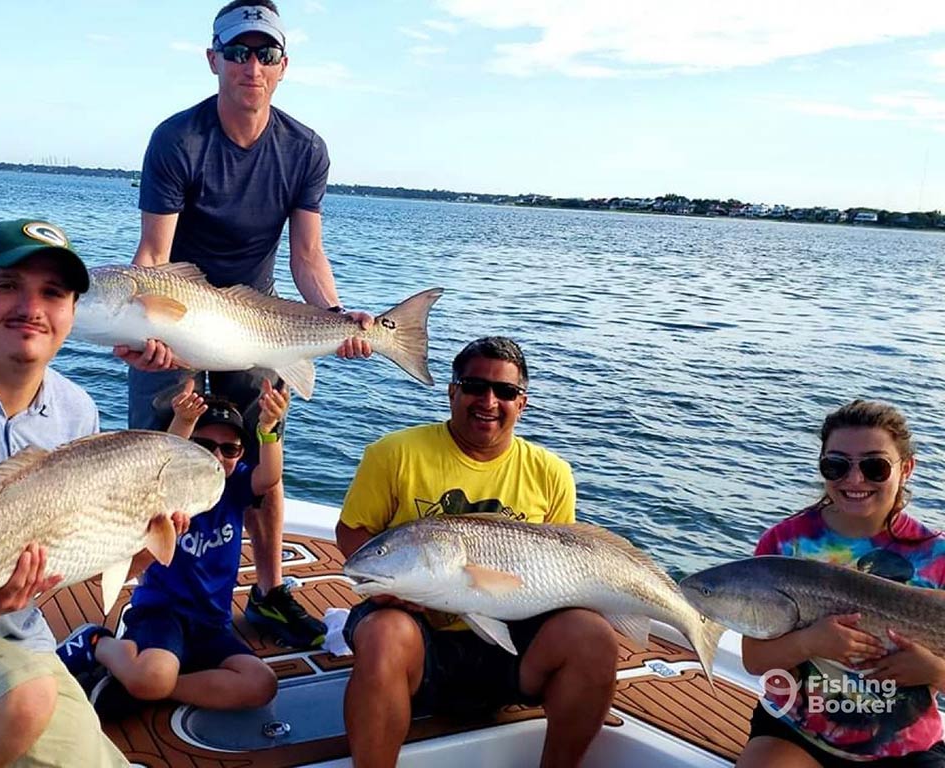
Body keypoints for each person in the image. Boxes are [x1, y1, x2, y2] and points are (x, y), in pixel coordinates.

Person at [119, 0, 369, 648]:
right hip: (181, 308)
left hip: (255, 313)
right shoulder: (178, 139)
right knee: (156, 452)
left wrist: (335, 318)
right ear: (214, 61)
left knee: (263, 454)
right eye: (237, 52)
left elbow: (307, 255)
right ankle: (145, 593)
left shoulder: (305, 149)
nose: (250, 66)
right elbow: (153, 256)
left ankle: (269, 593)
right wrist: (149, 333)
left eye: (265, 53)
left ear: (283, 66)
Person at [335, 336, 619, 768]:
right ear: (452, 391)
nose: (488, 400)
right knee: (383, 634)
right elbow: (353, 531)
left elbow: (566, 560)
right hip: (420, 637)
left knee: (593, 635)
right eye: (473, 386)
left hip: (512, 645)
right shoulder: (394, 453)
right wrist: (384, 589)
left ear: (522, 403)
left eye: (505, 391)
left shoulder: (551, 473)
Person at [0, 219, 127, 766]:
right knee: (23, 704)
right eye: (8, 285)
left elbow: (83, 539)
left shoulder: (77, 410)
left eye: (53, 293)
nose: (31, 307)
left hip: (17, 635)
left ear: (72, 314)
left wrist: (140, 529)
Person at [57, 383, 286, 716]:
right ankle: (97, 643)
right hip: (161, 615)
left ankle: (159, 688)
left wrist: (268, 431)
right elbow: (167, 455)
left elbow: (269, 476)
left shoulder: (234, 488)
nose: (216, 456)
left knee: (261, 684)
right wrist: (182, 421)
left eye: (230, 449)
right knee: (152, 676)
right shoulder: (166, 493)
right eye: (204, 445)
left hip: (212, 624)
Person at [738, 400, 945, 767]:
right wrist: (810, 641)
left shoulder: (937, 557)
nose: (854, 480)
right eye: (836, 465)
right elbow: (755, 659)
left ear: (906, 469)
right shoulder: (785, 546)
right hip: (796, 731)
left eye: (874, 466)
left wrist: (935, 671)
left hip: (904, 747)